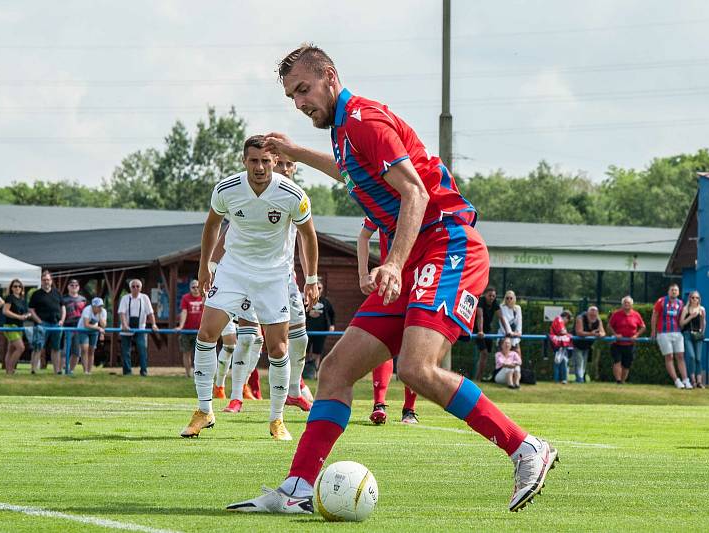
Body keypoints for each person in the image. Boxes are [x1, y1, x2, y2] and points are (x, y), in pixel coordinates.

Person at [226, 44, 557, 515]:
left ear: (330, 76)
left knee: (416, 369)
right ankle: (297, 489)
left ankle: (526, 448)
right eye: (292, 97)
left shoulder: (364, 120)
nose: (300, 103)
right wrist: (296, 151)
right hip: (416, 253)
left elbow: (415, 193)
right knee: (337, 370)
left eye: (304, 90)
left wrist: (392, 264)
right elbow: (348, 170)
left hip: (448, 245)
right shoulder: (344, 130)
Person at [179, 135, 319, 442]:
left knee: (278, 348)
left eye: (265, 161)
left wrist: (310, 279)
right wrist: (205, 267)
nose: (260, 167)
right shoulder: (227, 188)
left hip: (273, 276)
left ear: (275, 162)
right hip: (233, 271)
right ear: (244, 161)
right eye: (253, 161)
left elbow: (309, 236)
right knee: (206, 334)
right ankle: (204, 411)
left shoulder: (292, 194)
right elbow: (212, 225)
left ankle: (277, 419)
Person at [219, 150, 315, 414]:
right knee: (249, 338)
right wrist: (212, 267)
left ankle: (293, 391)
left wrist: (310, 280)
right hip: (249, 275)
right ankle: (237, 396)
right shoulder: (252, 194)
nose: (283, 168)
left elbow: (307, 241)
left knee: (300, 337)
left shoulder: (295, 197)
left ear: (294, 168)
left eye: (287, 164)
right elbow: (227, 234)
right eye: (279, 163)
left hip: (284, 277)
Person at [358, 217, 419, 425]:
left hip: (420, 281)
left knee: (414, 343)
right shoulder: (382, 201)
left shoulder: (425, 202)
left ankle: (410, 410)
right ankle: (379, 405)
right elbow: (364, 236)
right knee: (383, 341)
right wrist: (363, 274)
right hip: (391, 281)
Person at [651, 284, 690, 389]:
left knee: (681, 356)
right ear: (668, 291)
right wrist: (653, 331)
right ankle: (676, 380)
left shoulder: (681, 303)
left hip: (677, 332)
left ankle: (686, 380)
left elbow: (682, 318)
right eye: (672, 290)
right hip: (663, 333)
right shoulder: (661, 301)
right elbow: (654, 315)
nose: (674, 292)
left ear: (678, 292)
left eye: (676, 290)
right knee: (669, 357)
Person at [118, 279, 159, 376]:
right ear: (130, 288)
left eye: (137, 286)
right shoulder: (125, 298)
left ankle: (144, 371)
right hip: (126, 327)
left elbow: (150, 313)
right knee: (125, 350)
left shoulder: (145, 298)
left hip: (140, 327)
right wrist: (124, 325)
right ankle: (127, 371)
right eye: (133, 286)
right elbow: (122, 313)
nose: (135, 288)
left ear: (141, 288)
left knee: (142, 348)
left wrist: (153, 324)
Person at [28, 271, 65, 374]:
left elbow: (63, 307)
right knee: (38, 347)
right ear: (41, 281)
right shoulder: (36, 294)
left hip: (56, 324)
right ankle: (33, 370)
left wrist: (62, 320)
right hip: (42, 324)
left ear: (51, 281)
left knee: (56, 348)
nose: (46, 282)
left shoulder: (57, 293)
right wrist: (39, 321)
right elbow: (31, 310)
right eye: (44, 280)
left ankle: (57, 371)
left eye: (48, 280)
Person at [607, 296, 646, 384]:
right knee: (617, 361)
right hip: (616, 343)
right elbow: (609, 326)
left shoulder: (636, 314)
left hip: (630, 344)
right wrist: (615, 334)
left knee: (627, 364)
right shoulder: (616, 314)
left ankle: (623, 381)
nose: (626, 304)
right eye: (625, 303)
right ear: (622, 304)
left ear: (631, 304)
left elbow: (643, 327)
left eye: (628, 303)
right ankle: (618, 381)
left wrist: (636, 335)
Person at [303, 281, 335, 377]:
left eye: (320, 288)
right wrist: (309, 314)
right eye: (317, 287)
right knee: (305, 352)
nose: (318, 289)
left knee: (317, 352)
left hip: (321, 331)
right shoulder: (306, 300)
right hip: (307, 331)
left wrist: (332, 325)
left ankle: (315, 373)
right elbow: (300, 313)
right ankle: (302, 374)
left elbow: (332, 314)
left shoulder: (325, 302)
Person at [176, 279, 204, 378]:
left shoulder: (204, 297)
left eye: (197, 287)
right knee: (186, 352)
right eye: (193, 287)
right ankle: (188, 373)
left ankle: (199, 373)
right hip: (187, 330)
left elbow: (207, 313)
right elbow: (184, 312)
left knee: (200, 354)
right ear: (190, 288)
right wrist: (181, 326)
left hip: (200, 331)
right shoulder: (185, 298)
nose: (196, 289)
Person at [2, 279, 31, 374]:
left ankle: (8, 371)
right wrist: (19, 317)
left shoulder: (22, 300)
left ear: (22, 288)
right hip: (10, 326)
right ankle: (10, 370)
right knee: (21, 348)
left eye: (19, 286)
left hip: (19, 327)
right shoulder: (9, 297)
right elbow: (5, 311)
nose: (17, 288)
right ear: (11, 288)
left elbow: (26, 313)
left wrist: (27, 315)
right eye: (15, 286)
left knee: (11, 349)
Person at [680, 291, 706, 388]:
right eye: (693, 298)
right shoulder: (686, 309)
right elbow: (681, 323)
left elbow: (704, 323)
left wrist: (702, 332)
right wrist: (691, 316)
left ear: (699, 299)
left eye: (697, 298)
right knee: (691, 357)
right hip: (688, 334)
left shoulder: (702, 309)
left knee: (698, 358)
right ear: (689, 299)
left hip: (698, 335)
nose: (695, 299)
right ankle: (692, 380)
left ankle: (699, 381)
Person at [572, 306, 605, 383]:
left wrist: (600, 334)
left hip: (587, 345)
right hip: (577, 344)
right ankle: (579, 380)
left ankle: (581, 379)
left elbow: (603, 332)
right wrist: (592, 334)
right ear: (587, 313)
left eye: (595, 314)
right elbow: (579, 332)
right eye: (591, 314)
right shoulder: (580, 318)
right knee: (579, 362)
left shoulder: (598, 319)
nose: (593, 316)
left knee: (584, 363)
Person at [62, 279, 87, 374]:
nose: (74, 286)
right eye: (72, 285)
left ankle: (70, 370)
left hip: (79, 328)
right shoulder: (63, 299)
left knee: (77, 352)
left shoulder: (83, 299)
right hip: (67, 327)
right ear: (68, 286)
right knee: (64, 350)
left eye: (76, 285)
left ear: (79, 287)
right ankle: (63, 369)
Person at [474, 287, 498, 381]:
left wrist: (508, 331)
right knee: (483, 353)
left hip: (487, 331)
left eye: (493, 296)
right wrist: (480, 331)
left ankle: (480, 377)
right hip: (477, 330)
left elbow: (502, 318)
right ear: (485, 295)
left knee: (485, 354)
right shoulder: (481, 301)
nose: (491, 298)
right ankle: (478, 378)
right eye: (490, 295)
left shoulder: (495, 303)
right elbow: (480, 316)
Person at [77, 297, 107, 374]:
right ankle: (85, 371)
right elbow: (86, 324)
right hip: (83, 330)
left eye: (101, 306)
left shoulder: (103, 311)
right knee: (84, 349)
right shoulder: (87, 310)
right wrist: (98, 328)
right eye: (98, 306)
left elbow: (103, 325)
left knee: (91, 350)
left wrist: (100, 316)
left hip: (94, 330)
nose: (100, 308)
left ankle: (89, 371)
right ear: (93, 306)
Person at [549, 310, 573, 384]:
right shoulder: (559, 319)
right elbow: (562, 332)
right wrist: (568, 334)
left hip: (559, 343)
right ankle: (558, 380)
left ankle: (563, 379)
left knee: (563, 361)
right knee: (558, 361)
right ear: (566, 317)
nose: (567, 322)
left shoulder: (558, 319)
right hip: (558, 343)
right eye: (568, 320)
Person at [497, 290, 523, 356]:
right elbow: (504, 321)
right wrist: (509, 332)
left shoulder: (518, 308)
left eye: (511, 298)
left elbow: (519, 321)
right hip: (504, 336)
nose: (509, 300)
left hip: (515, 338)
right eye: (507, 298)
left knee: (517, 356)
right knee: (503, 358)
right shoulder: (502, 307)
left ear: (514, 298)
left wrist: (518, 332)